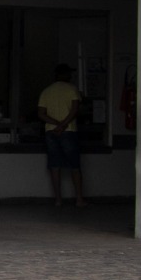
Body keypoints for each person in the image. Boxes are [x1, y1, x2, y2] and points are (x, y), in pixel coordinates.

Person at [38, 63, 85, 207]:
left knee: (54, 166)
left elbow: (41, 114)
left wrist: (56, 124)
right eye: (69, 74)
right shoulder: (72, 89)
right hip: (68, 131)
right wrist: (64, 124)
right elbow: (75, 110)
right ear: (65, 75)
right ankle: (79, 199)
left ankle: (58, 199)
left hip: (51, 132)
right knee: (74, 166)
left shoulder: (46, 91)